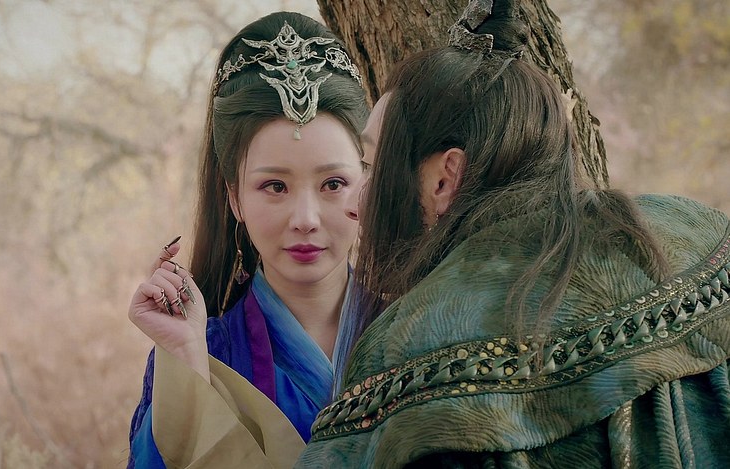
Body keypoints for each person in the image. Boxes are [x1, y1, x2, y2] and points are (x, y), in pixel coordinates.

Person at [298, 0, 730, 467]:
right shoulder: (697, 231)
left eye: (372, 166)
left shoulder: (408, 344)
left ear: (445, 179)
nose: (356, 204)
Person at [125, 11, 368, 469]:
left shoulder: (421, 331)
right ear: (234, 198)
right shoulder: (207, 351)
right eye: (275, 186)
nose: (305, 219)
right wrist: (188, 363)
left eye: (333, 184)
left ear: (368, 184)